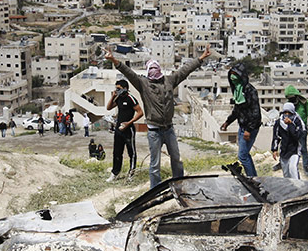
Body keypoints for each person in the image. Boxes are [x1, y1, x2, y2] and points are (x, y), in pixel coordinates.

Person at [105, 44, 211, 188]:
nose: (154, 71)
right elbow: (128, 72)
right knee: (155, 164)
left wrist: (201, 59)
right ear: (148, 71)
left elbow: (184, 71)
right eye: (151, 68)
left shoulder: (169, 81)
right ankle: (155, 190)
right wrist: (114, 60)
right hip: (154, 131)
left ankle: (179, 185)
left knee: (176, 158)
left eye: (156, 68)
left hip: (169, 129)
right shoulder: (143, 84)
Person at [220, 62, 262, 177]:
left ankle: (251, 178)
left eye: (235, 74)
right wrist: (227, 122)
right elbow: (237, 110)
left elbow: (256, 113)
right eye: (231, 74)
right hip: (242, 126)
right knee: (245, 154)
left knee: (242, 156)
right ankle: (253, 177)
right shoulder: (238, 90)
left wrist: (249, 130)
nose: (233, 77)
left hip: (250, 128)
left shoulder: (250, 91)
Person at [105, 79, 144, 182]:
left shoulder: (131, 98)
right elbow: (108, 107)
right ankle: (115, 173)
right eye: (116, 88)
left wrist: (129, 122)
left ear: (125, 88)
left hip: (128, 129)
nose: (117, 90)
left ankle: (131, 174)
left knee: (132, 152)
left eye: (119, 89)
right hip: (119, 129)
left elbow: (140, 112)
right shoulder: (118, 98)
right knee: (117, 152)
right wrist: (113, 96)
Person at [283, 85, 308, 175]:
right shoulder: (289, 104)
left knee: (303, 148)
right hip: (291, 129)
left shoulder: (304, 103)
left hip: (302, 129)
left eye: (292, 98)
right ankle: (283, 162)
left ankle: (305, 166)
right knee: (286, 146)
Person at [271, 102, 305, 179]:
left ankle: (298, 187)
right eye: (285, 112)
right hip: (284, 150)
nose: (287, 114)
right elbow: (276, 136)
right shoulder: (279, 122)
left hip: (294, 149)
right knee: (286, 173)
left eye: (289, 113)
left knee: (293, 169)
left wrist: (291, 125)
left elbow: (297, 136)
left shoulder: (297, 121)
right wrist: (274, 149)